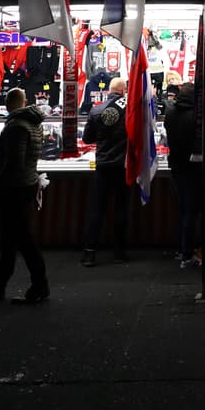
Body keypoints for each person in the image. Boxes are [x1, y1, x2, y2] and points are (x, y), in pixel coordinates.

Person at [0, 87, 49, 304]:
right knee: (14, 238)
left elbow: (13, 160)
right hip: (26, 183)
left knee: (22, 239)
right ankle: (2, 284)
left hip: (14, 187)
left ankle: (39, 285)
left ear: (10, 103)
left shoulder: (16, 125)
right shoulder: (32, 123)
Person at [80, 76, 132, 267]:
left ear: (109, 90)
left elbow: (86, 139)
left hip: (102, 166)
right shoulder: (129, 109)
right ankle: (119, 252)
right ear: (124, 91)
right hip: (122, 166)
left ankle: (89, 253)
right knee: (121, 209)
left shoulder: (96, 109)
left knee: (97, 210)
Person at [164, 82, 201, 268]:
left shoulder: (170, 114)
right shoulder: (195, 116)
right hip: (193, 168)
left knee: (182, 210)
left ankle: (181, 250)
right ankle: (187, 255)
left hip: (176, 166)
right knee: (191, 212)